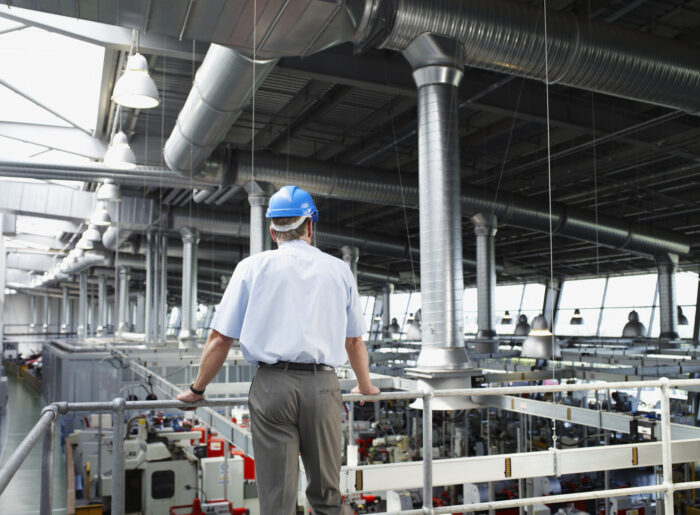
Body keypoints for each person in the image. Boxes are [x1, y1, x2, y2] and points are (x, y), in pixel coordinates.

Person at [177, 185, 380, 515]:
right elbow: (354, 341)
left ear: (273, 231)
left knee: (277, 498)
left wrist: (197, 389)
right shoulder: (339, 270)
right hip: (322, 388)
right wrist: (366, 386)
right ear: (310, 226)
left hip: (272, 388)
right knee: (328, 494)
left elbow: (219, 339)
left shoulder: (251, 267)